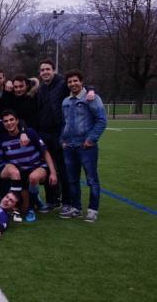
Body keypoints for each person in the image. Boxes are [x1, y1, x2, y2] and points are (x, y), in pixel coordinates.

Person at [36, 59, 95, 213]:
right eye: (42, 70)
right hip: (44, 133)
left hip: (60, 133)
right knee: (49, 168)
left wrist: (91, 90)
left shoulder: (62, 83)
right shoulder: (41, 89)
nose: (45, 72)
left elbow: (79, 86)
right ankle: (52, 200)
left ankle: (67, 202)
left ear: (53, 70)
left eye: (48, 69)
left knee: (64, 169)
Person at [59, 70, 107, 222]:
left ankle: (93, 210)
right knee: (72, 180)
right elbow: (64, 123)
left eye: (75, 81)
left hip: (86, 147)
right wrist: (63, 140)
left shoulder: (92, 98)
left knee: (91, 179)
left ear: (81, 81)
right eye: (70, 82)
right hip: (69, 146)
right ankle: (76, 208)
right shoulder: (66, 101)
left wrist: (91, 139)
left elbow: (101, 120)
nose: (73, 84)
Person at [0, 109, 57, 222]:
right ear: (3, 123)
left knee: (33, 178)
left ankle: (31, 207)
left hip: (37, 167)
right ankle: (32, 199)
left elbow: (45, 152)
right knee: (22, 209)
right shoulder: (2, 137)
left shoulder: (30, 133)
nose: (9, 123)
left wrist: (53, 172)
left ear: (17, 121)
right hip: (20, 172)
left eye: (12, 120)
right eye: (6, 121)